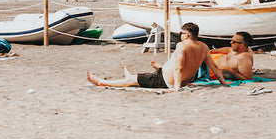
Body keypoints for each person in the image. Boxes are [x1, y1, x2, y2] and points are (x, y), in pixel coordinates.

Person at [84, 22, 228, 91]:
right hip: (173, 77)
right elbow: (213, 66)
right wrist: (224, 83)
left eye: (182, 33)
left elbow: (178, 68)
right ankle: (157, 68)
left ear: (186, 35)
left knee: (133, 80)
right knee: (150, 73)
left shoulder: (182, 46)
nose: (180, 36)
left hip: (164, 80)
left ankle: (102, 81)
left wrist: (176, 88)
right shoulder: (203, 47)